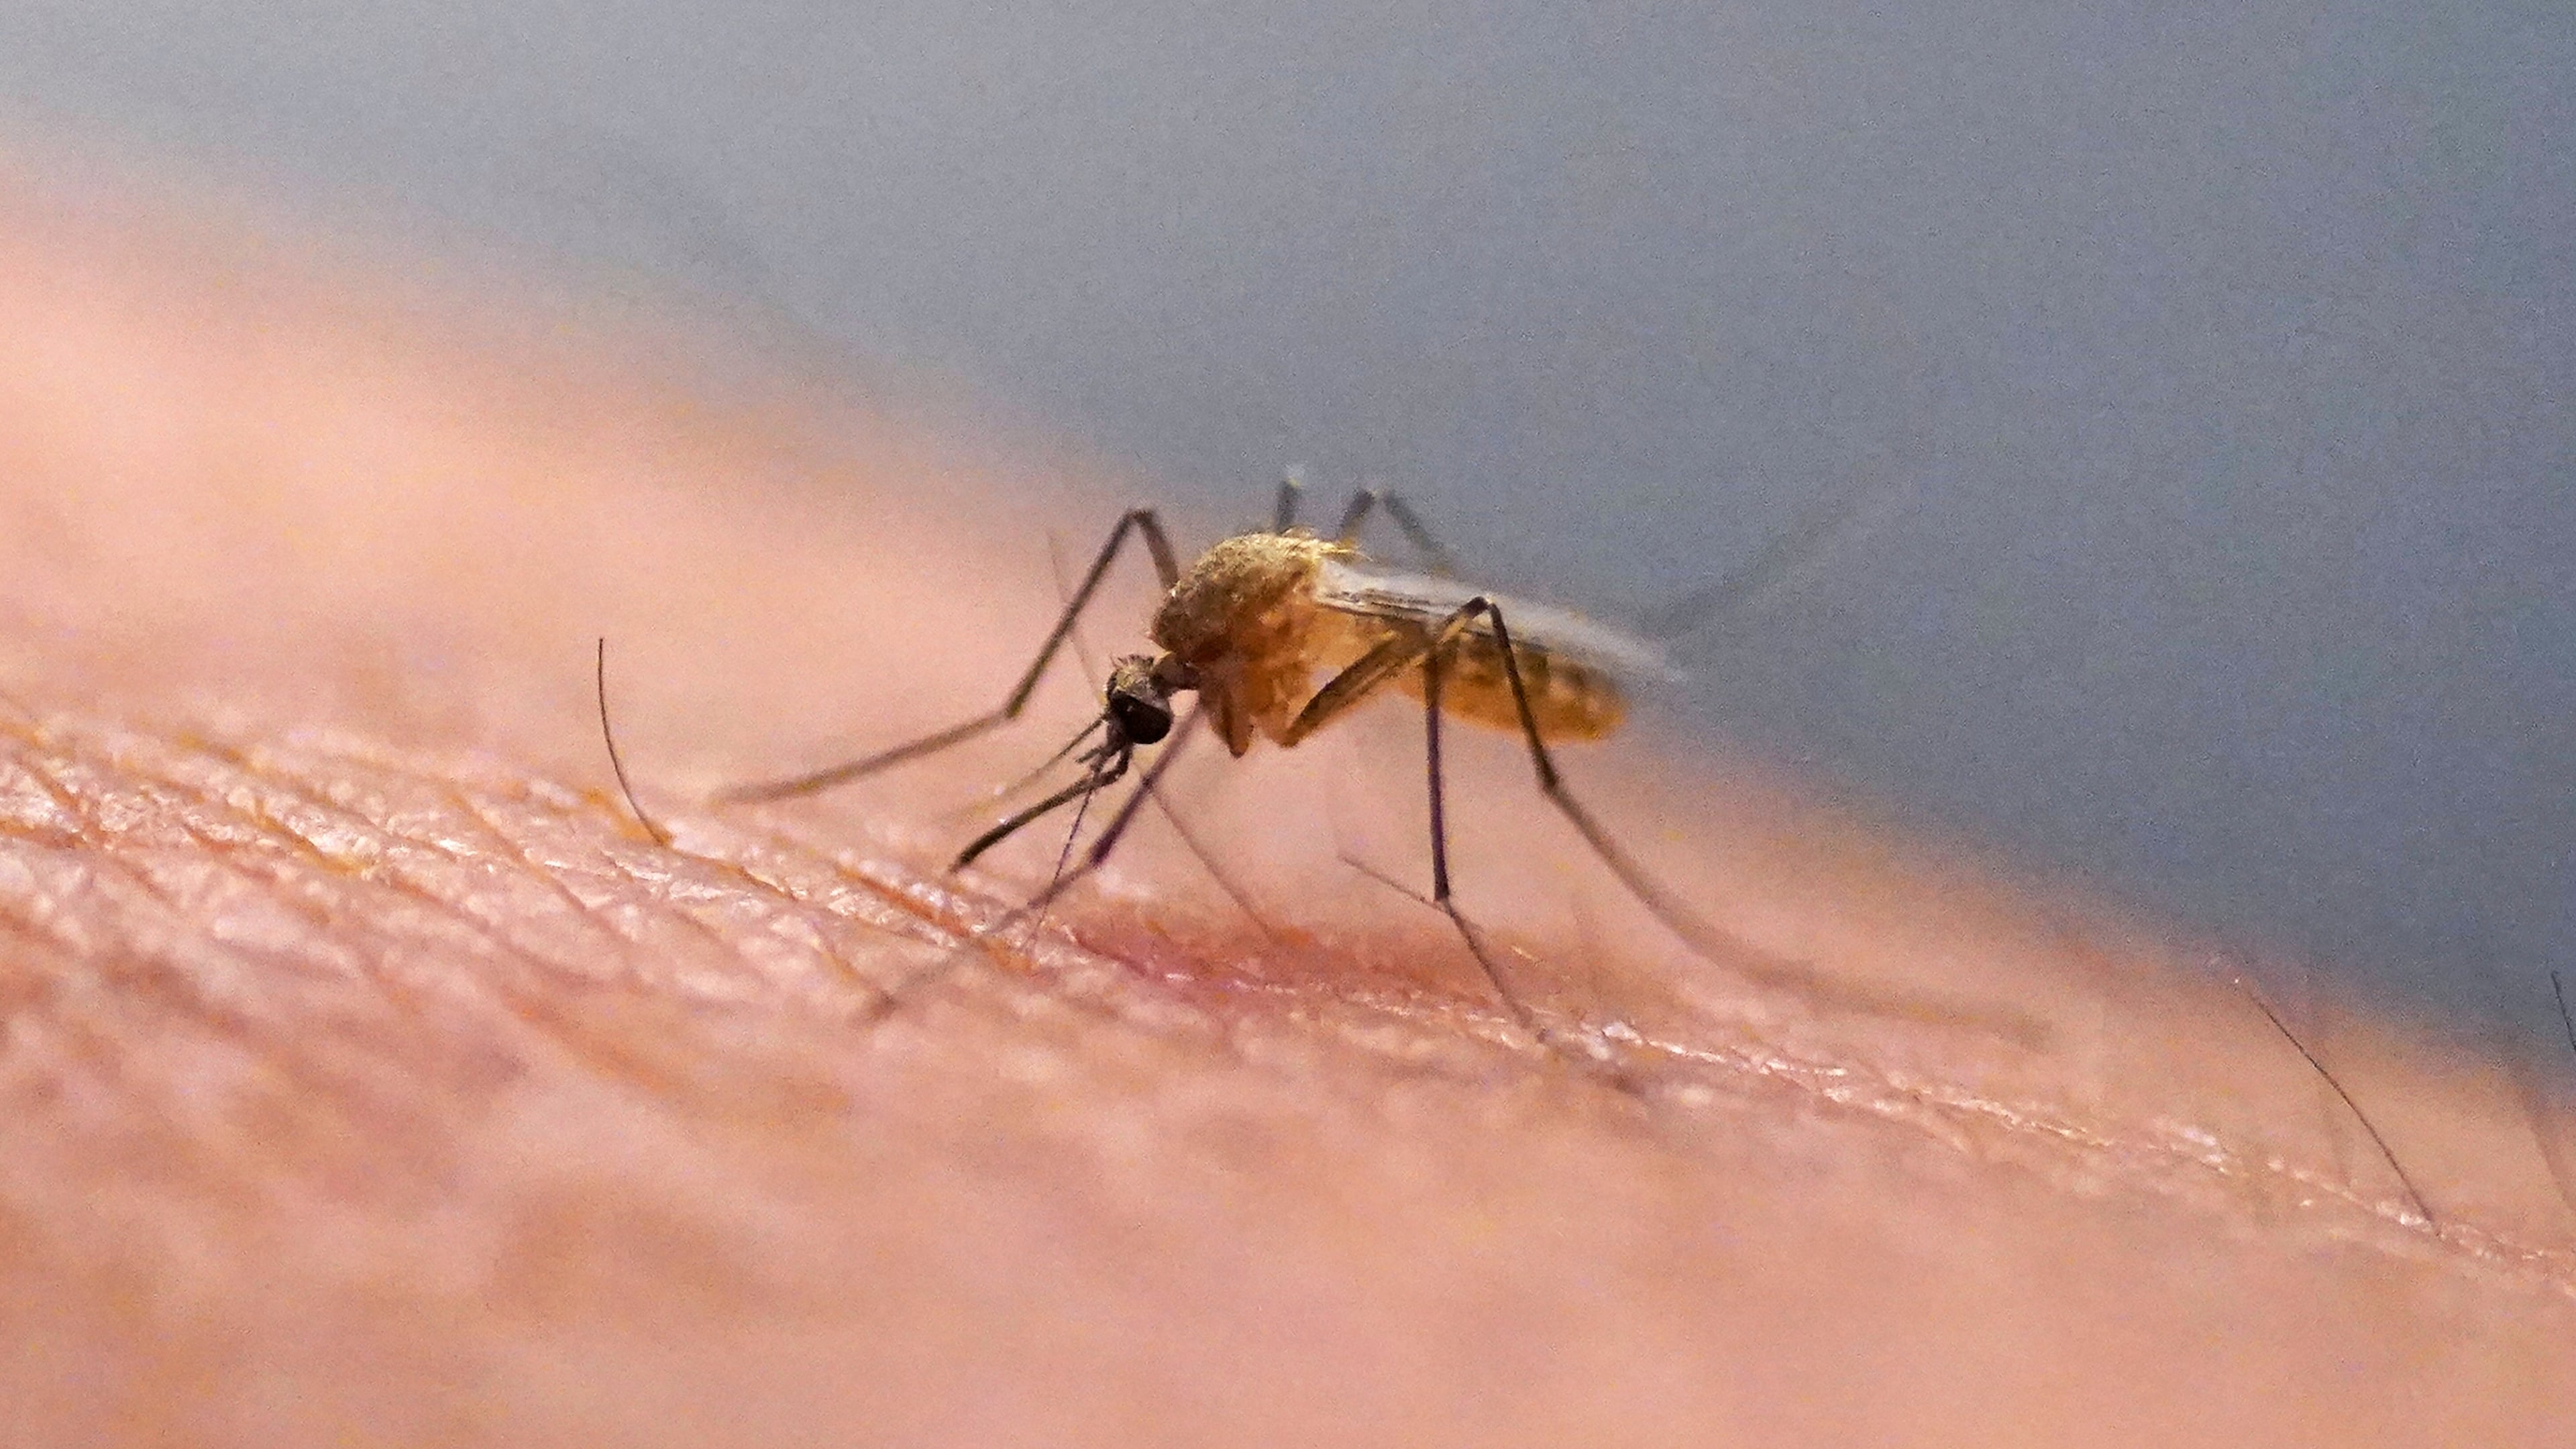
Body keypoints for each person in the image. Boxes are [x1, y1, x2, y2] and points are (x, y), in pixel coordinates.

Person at [1, 170, 2569, 1447]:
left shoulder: (1267, 648)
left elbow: (1283, 640)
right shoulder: (1175, 641)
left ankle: (1557, 936)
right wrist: (1016, 765)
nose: (1143, 736)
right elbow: (1147, 670)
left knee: (1394, 592)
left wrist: (1198, 788)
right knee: (1253, 563)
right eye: (1138, 716)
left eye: (1138, 722)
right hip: (1321, 624)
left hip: (1488, 687)